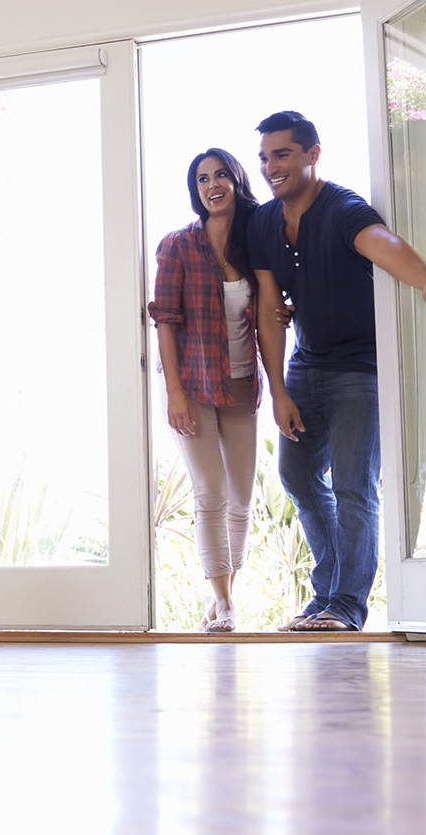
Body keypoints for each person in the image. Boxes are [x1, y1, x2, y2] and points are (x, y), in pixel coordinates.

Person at [245, 111, 426, 632]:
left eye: (282, 154)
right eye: (264, 157)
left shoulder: (341, 207)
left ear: (312, 154)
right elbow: (266, 308)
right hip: (307, 364)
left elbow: (381, 243)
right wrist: (278, 390)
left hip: (360, 370)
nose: (271, 166)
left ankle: (346, 607)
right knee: (298, 477)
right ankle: (326, 594)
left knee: (353, 486)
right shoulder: (262, 223)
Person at [148, 148, 266, 632]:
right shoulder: (177, 245)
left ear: (237, 181)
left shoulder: (256, 243)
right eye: (202, 179)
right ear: (195, 191)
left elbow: (277, 304)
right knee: (211, 492)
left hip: (240, 383)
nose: (212, 185)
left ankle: (223, 599)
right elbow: (165, 322)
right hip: (192, 384)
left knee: (240, 496)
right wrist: (174, 391)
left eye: (220, 176)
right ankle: (223, 600)